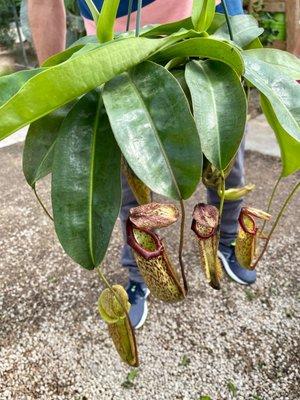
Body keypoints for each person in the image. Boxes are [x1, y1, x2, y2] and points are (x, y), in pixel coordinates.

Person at [28, 0, 256, 330]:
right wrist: (56, 91)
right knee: (129, 186)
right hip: (116, 52)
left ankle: (227, 240)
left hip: (206, 30)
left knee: (224, 161)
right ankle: (140, 273)